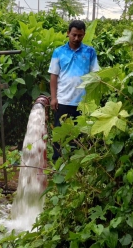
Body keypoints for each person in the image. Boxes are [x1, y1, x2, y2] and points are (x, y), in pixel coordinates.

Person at [48, 20, 100, 162]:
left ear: (84, 35)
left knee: (80, 135)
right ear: (68, 33)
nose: (76, 38)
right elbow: (53, 76)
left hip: (82, 102)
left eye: (80, 35)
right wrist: (53, 98)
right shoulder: (58, 52)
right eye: (74, 35)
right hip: (63, 100)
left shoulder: (90, 52)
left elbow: (96, 75)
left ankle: (77, 166)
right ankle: (58, 164)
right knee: (60, 134)